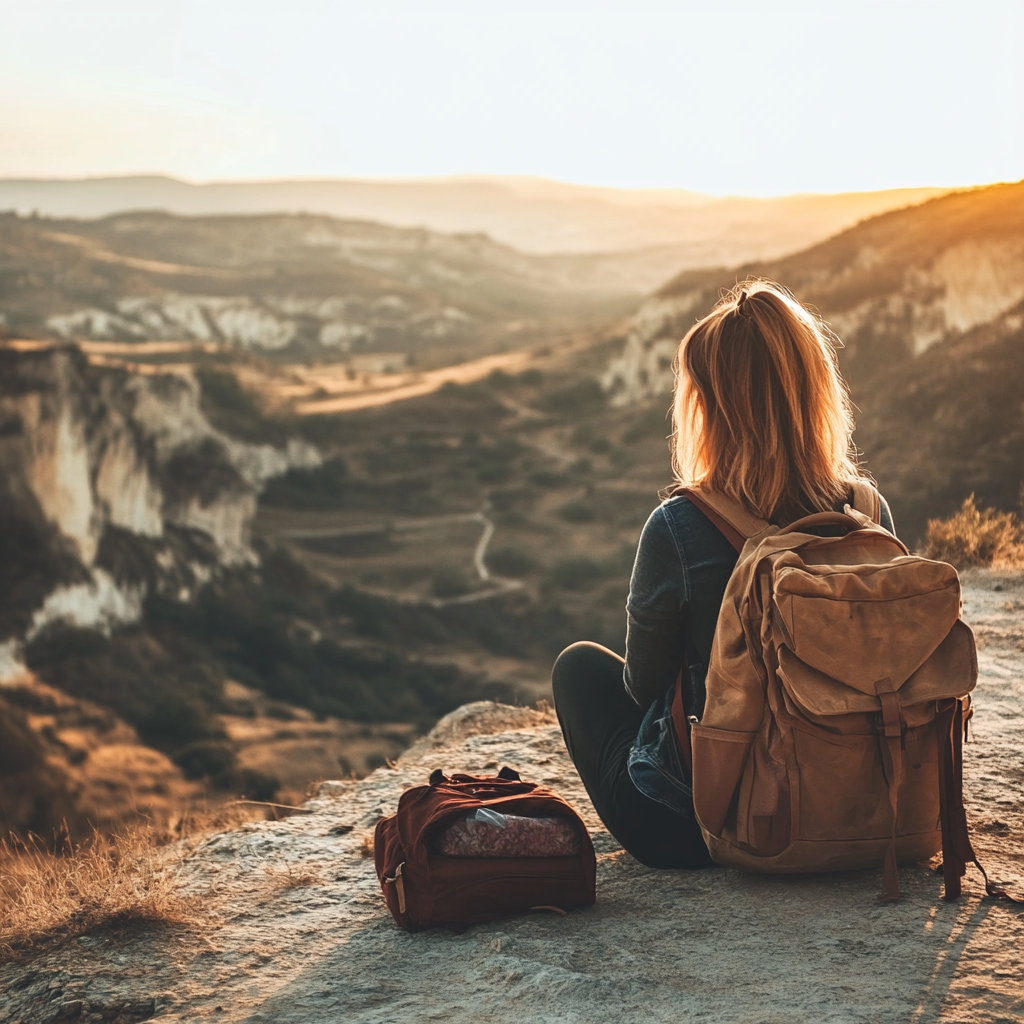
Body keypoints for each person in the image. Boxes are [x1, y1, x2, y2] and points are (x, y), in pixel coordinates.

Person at [551, 279, 895, 870]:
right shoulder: (867, 514)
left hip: (698, 827)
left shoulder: (679, 527)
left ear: (711, 409)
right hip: (857, 809)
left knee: (580, 667)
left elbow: (642, 685)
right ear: (815, 392)